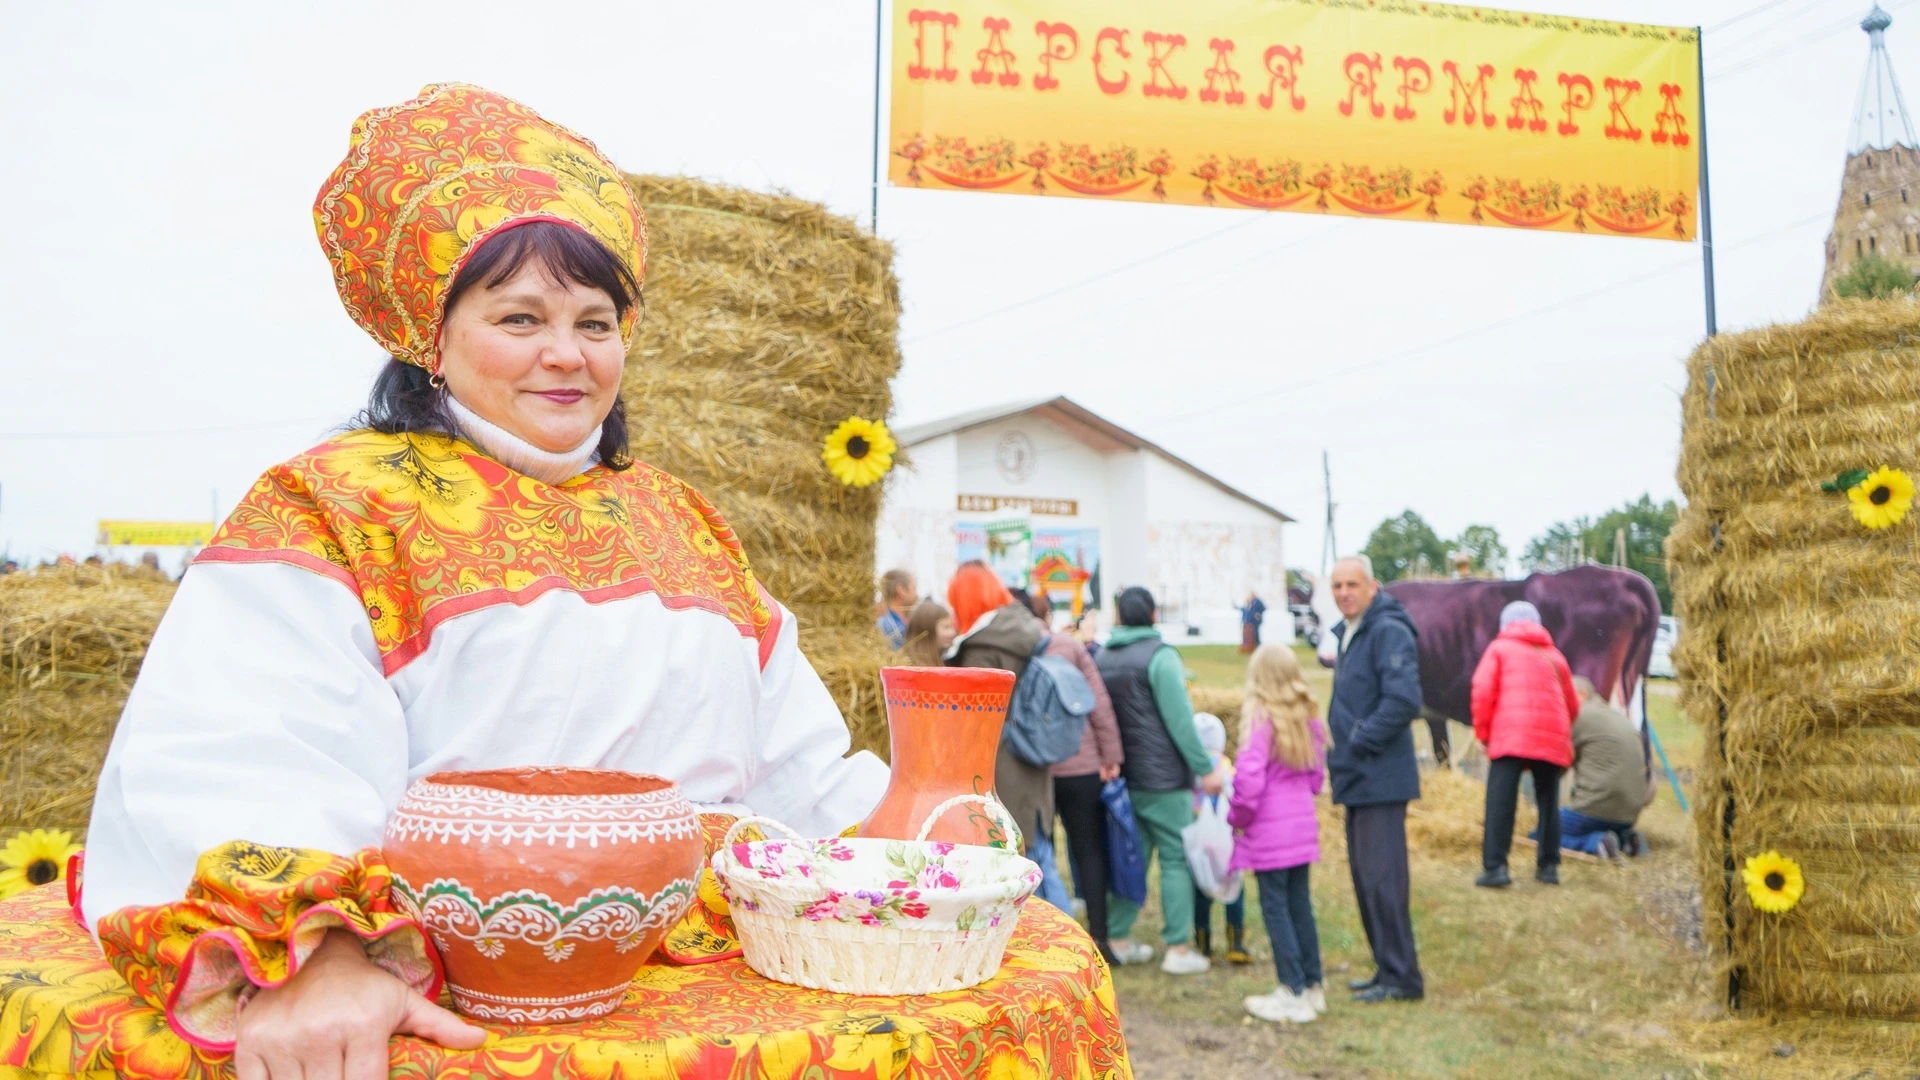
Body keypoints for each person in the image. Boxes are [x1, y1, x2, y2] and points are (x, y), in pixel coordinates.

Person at [79, 84, 889, 1072]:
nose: (567, 355)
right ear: (433, 334)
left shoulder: (684, 522)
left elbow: (796, 765)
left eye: (597, 323)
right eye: (520, 317)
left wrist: (905, 838)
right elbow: (244, 745)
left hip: (709, 997)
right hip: (434, 998)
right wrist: (319, 952)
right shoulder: (337, 504)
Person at [1095, 585, 1225, 975]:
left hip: (1120, 777)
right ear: (1153, 615)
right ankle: (1178, 948)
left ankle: (1117, 937)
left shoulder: (1102, 656)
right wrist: (1205, 768)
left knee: (1130, 857)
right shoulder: (1161, 656)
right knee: (1174, 858)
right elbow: (1181, 722)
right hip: (1163, 778)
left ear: (1118, 616)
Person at [1326, 554, 1425, 1003]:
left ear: (1372, 586)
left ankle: (1403, 978)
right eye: (1337, 585)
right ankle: (1386, 968)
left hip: (1379, 776)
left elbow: (1404, 699)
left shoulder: (1387, 629)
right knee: (1367, 879)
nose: (1344, 592)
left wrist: (1360, 741)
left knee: (1383, 879)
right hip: (1358, 776)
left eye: (1352, 584)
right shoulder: (1354, 631)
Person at [946, 562, 1058, 898]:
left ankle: (1049, 945)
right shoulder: (1025, 630)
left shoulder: (981, 649)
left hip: (999, 768)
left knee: (1021, 872)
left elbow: (973, 723)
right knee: (1042, 862)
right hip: (1033, 760)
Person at [1230, 643, 1328, 1024]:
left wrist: (1236, 815)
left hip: (1270, 830)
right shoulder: (1309, 718)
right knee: (1300, 904)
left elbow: (1250, 781)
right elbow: (1317, 779)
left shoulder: (1261, 719)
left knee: (1276, 907)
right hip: (1301, 825)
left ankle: (1291, 989)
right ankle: (1313, 985)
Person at [1471, 600, 1579, 888]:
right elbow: (1573, 704)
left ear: (1505, 624)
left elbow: (1482, 692)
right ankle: (1549, 867)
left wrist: (1483, 734)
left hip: (1510, 734)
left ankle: (1496, 868)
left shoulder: (1499, 649)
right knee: (1548, 801)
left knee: (1501, 800)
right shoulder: (1555, 656)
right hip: (1552, 735)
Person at [1045, 610, 1123, 964]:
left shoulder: (1015, 650)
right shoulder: (1070, 648)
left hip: (1037, 769)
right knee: (1089, 851)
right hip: (1081, 764)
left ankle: (1047, 938)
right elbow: (1099, 706)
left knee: (1041, 852)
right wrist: (1111, 755)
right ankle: (1099, 937)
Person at [1554, 676, 1651, 860]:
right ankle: (1626, 840)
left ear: (1581, 695)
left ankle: (1595, 843)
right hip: (1630, 813)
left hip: (1595, 808)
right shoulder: (1616, 716)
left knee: (1543, 833)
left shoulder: (1579, 715)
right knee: (1608, 822)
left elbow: (1558, 765)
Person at [1188, 711, 1249, 966]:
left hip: (1200, 842)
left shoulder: (1190, 766)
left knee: (1201, 891)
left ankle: (1204, 945)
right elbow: (1237, 792)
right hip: (1226, 842)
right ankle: (1235, 943)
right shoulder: (1225, 765)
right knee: (1234, 890)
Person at [900, 599, 955, 668]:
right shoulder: (913, 667)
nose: (952, 632)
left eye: (951, 627)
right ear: (927, 629)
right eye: (946, 627)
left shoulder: (934, 661)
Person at [876, 568, 917, 649]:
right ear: (901, 590)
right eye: (914, 588)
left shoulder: (901, 622)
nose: (916, 594)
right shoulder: (889, 627)